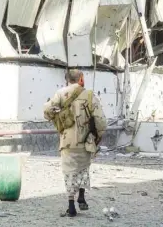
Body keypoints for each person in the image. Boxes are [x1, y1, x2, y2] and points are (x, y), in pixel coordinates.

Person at [43, 69, 107, 217]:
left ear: (67, 80)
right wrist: (99, 135)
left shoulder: (60, 93)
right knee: (83, 168)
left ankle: (71, 205)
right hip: (85, 141)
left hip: (67, 141)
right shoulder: (90, 95)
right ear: (81, 79)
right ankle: (82, 195)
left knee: (69, 172)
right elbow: (101, 120)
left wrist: (56, 114)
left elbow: (46, 111)